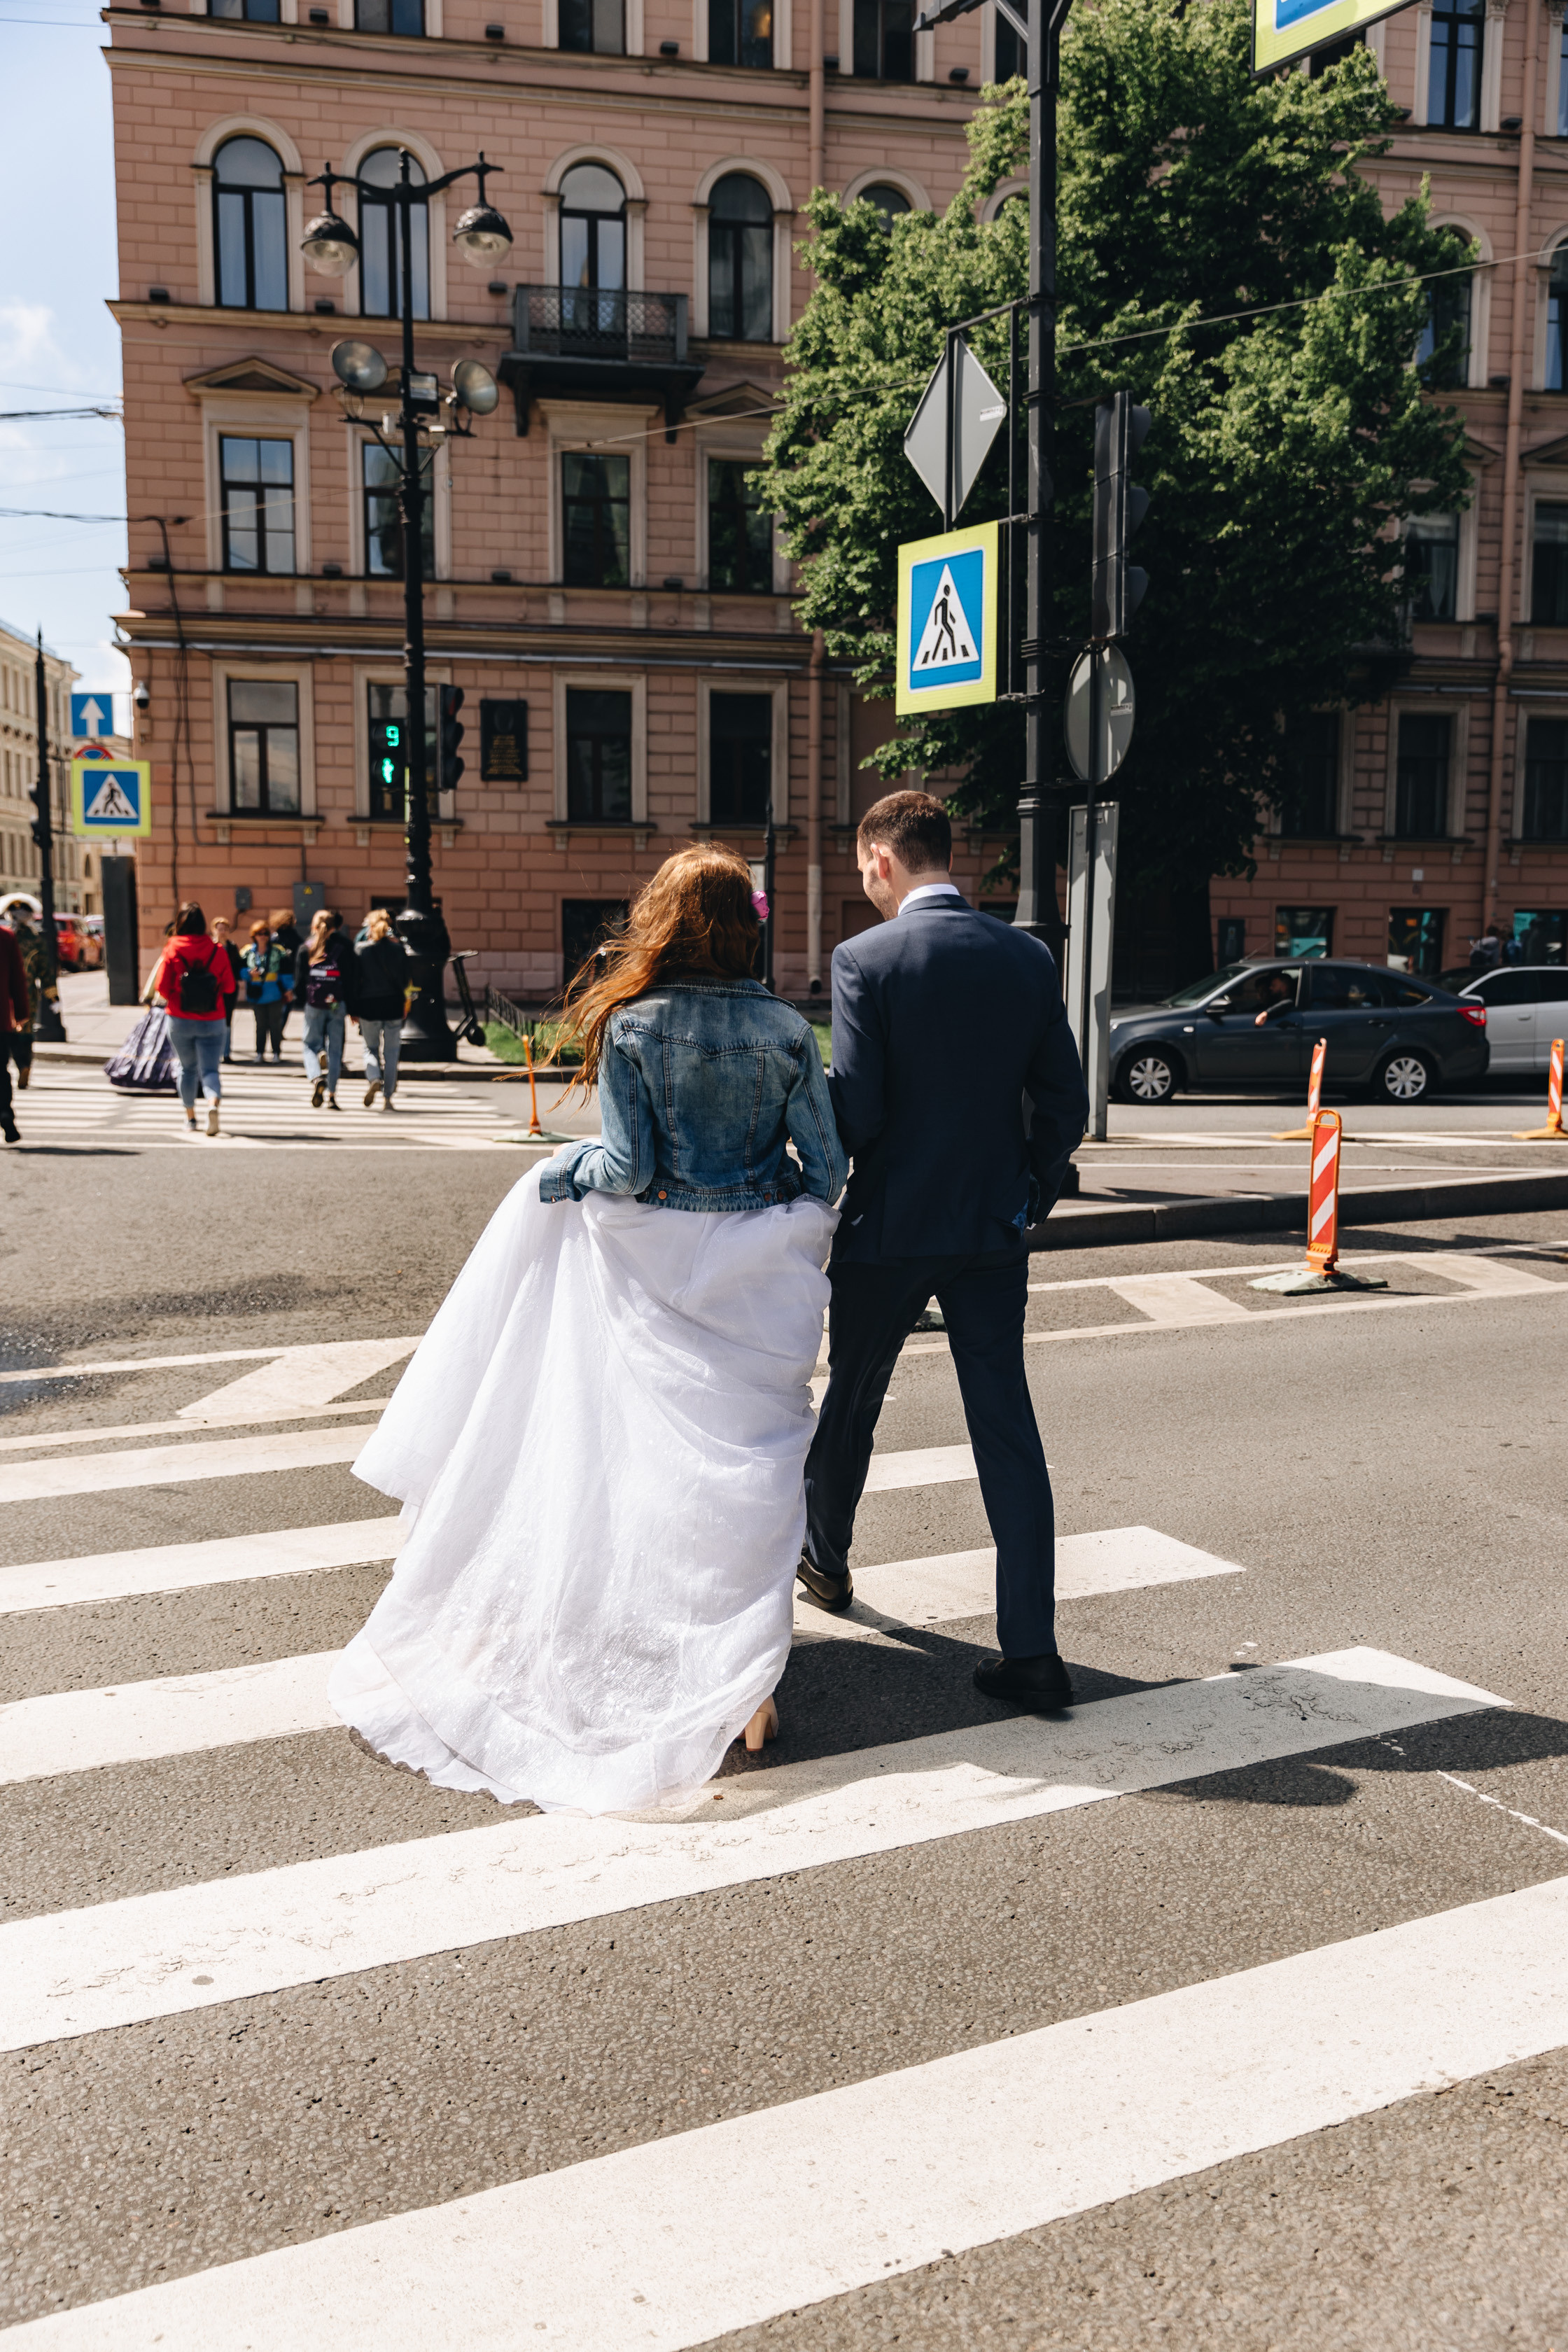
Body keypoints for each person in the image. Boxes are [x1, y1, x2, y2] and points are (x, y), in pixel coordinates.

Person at [329, 844, 847, 1814]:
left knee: (634, 1456)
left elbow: (628, 1167)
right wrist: (767, 1206)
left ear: (663, 919)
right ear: (747, 923)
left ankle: (652, 1639)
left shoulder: (635, 1022)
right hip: (755, 1278)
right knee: (750, 1481)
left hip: (649, 1260)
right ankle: (752, 1689)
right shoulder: (785, 1029)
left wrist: (557, 1174)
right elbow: (824, 1169)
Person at [801, 790, 1088, 1714]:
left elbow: (864, 1112)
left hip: (888, 1230)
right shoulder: (1024, 956)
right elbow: (1065, 1105)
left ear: (882, 860)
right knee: (1007, 1425)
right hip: (991, 1234)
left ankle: (829, 1564)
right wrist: (1029, 1192)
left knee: (851, 1403)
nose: (865, 888)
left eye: (861, 873)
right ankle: (1032, 1649)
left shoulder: (865, 960)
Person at [150, 902, 232, 1135]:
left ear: (180, 924)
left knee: (187, 1069)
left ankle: (190, 1119)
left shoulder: (173, 949)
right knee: (210, 1070)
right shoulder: (217, 950)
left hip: (180, 1019)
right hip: (213, 1019)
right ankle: (213, 1103)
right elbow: (228, 987)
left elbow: (162, 988)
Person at [351, 907, 410, 1110]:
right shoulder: (398, 949)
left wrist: (353, 1009)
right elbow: (404, 981)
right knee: (392, 1052)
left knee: (370, 1048)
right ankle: (388, 1098)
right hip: (393, 1004)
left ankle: (374, 1077)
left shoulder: (360, 950)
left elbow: (355, 982)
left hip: (368, 1006)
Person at [294, 909, 349, 1110]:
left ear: (314, 926)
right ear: (334, 926)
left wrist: (303, 1002)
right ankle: (332, 1096)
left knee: (309, 1044)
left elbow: (299, 982)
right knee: (336, 1051)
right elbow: (352, 979)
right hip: (337, 1003)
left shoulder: (306, 948)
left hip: (314, 1004)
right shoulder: (344, 947)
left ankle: (317, 1078)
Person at [241, 919, 291, 1061]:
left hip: (274, 992)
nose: (262, 936)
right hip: (256, 993)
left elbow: (286, 971)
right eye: (259, 934)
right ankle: (259, 1053)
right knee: (260, 1025)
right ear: (254, 936)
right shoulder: (247, 952)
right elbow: (239, 969)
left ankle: (276, 1052)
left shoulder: (278, 951)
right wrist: (248, 974)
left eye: (265, 933)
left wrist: (288, 989)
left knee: (275, 1024)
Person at [1, 916, 28, 1142]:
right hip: (0, 1021)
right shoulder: (6, 936)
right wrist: (21, 1014)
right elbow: (18, 980)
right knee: (0, 1071)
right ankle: (5, 1113)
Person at [210, 914, 244, 1062]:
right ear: (214, 930)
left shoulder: (232, 947)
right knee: (214, 1019)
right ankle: (215, 1052)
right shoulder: (211, 947)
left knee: (227, 1019)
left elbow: (238, 966)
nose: (222, 932)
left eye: (225, 929)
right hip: (213, 989)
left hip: (229, 988)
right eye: (220, 929)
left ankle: (226, 1052)